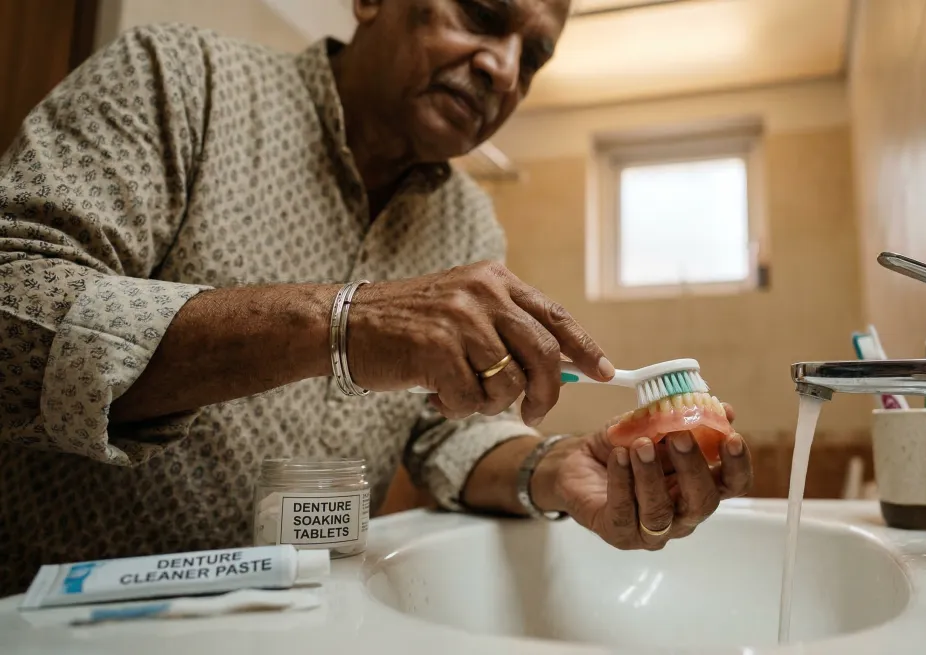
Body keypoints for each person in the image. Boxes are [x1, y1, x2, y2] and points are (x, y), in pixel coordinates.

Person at [0, 0, 753, 595]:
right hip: (68, 614)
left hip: (319, 615)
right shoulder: (177, 79)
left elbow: (442, 433)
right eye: (483, 15)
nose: (505, 69)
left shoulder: (467, 221)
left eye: (536, 56)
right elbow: (13, 313)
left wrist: (553, 470)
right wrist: (342, 323)